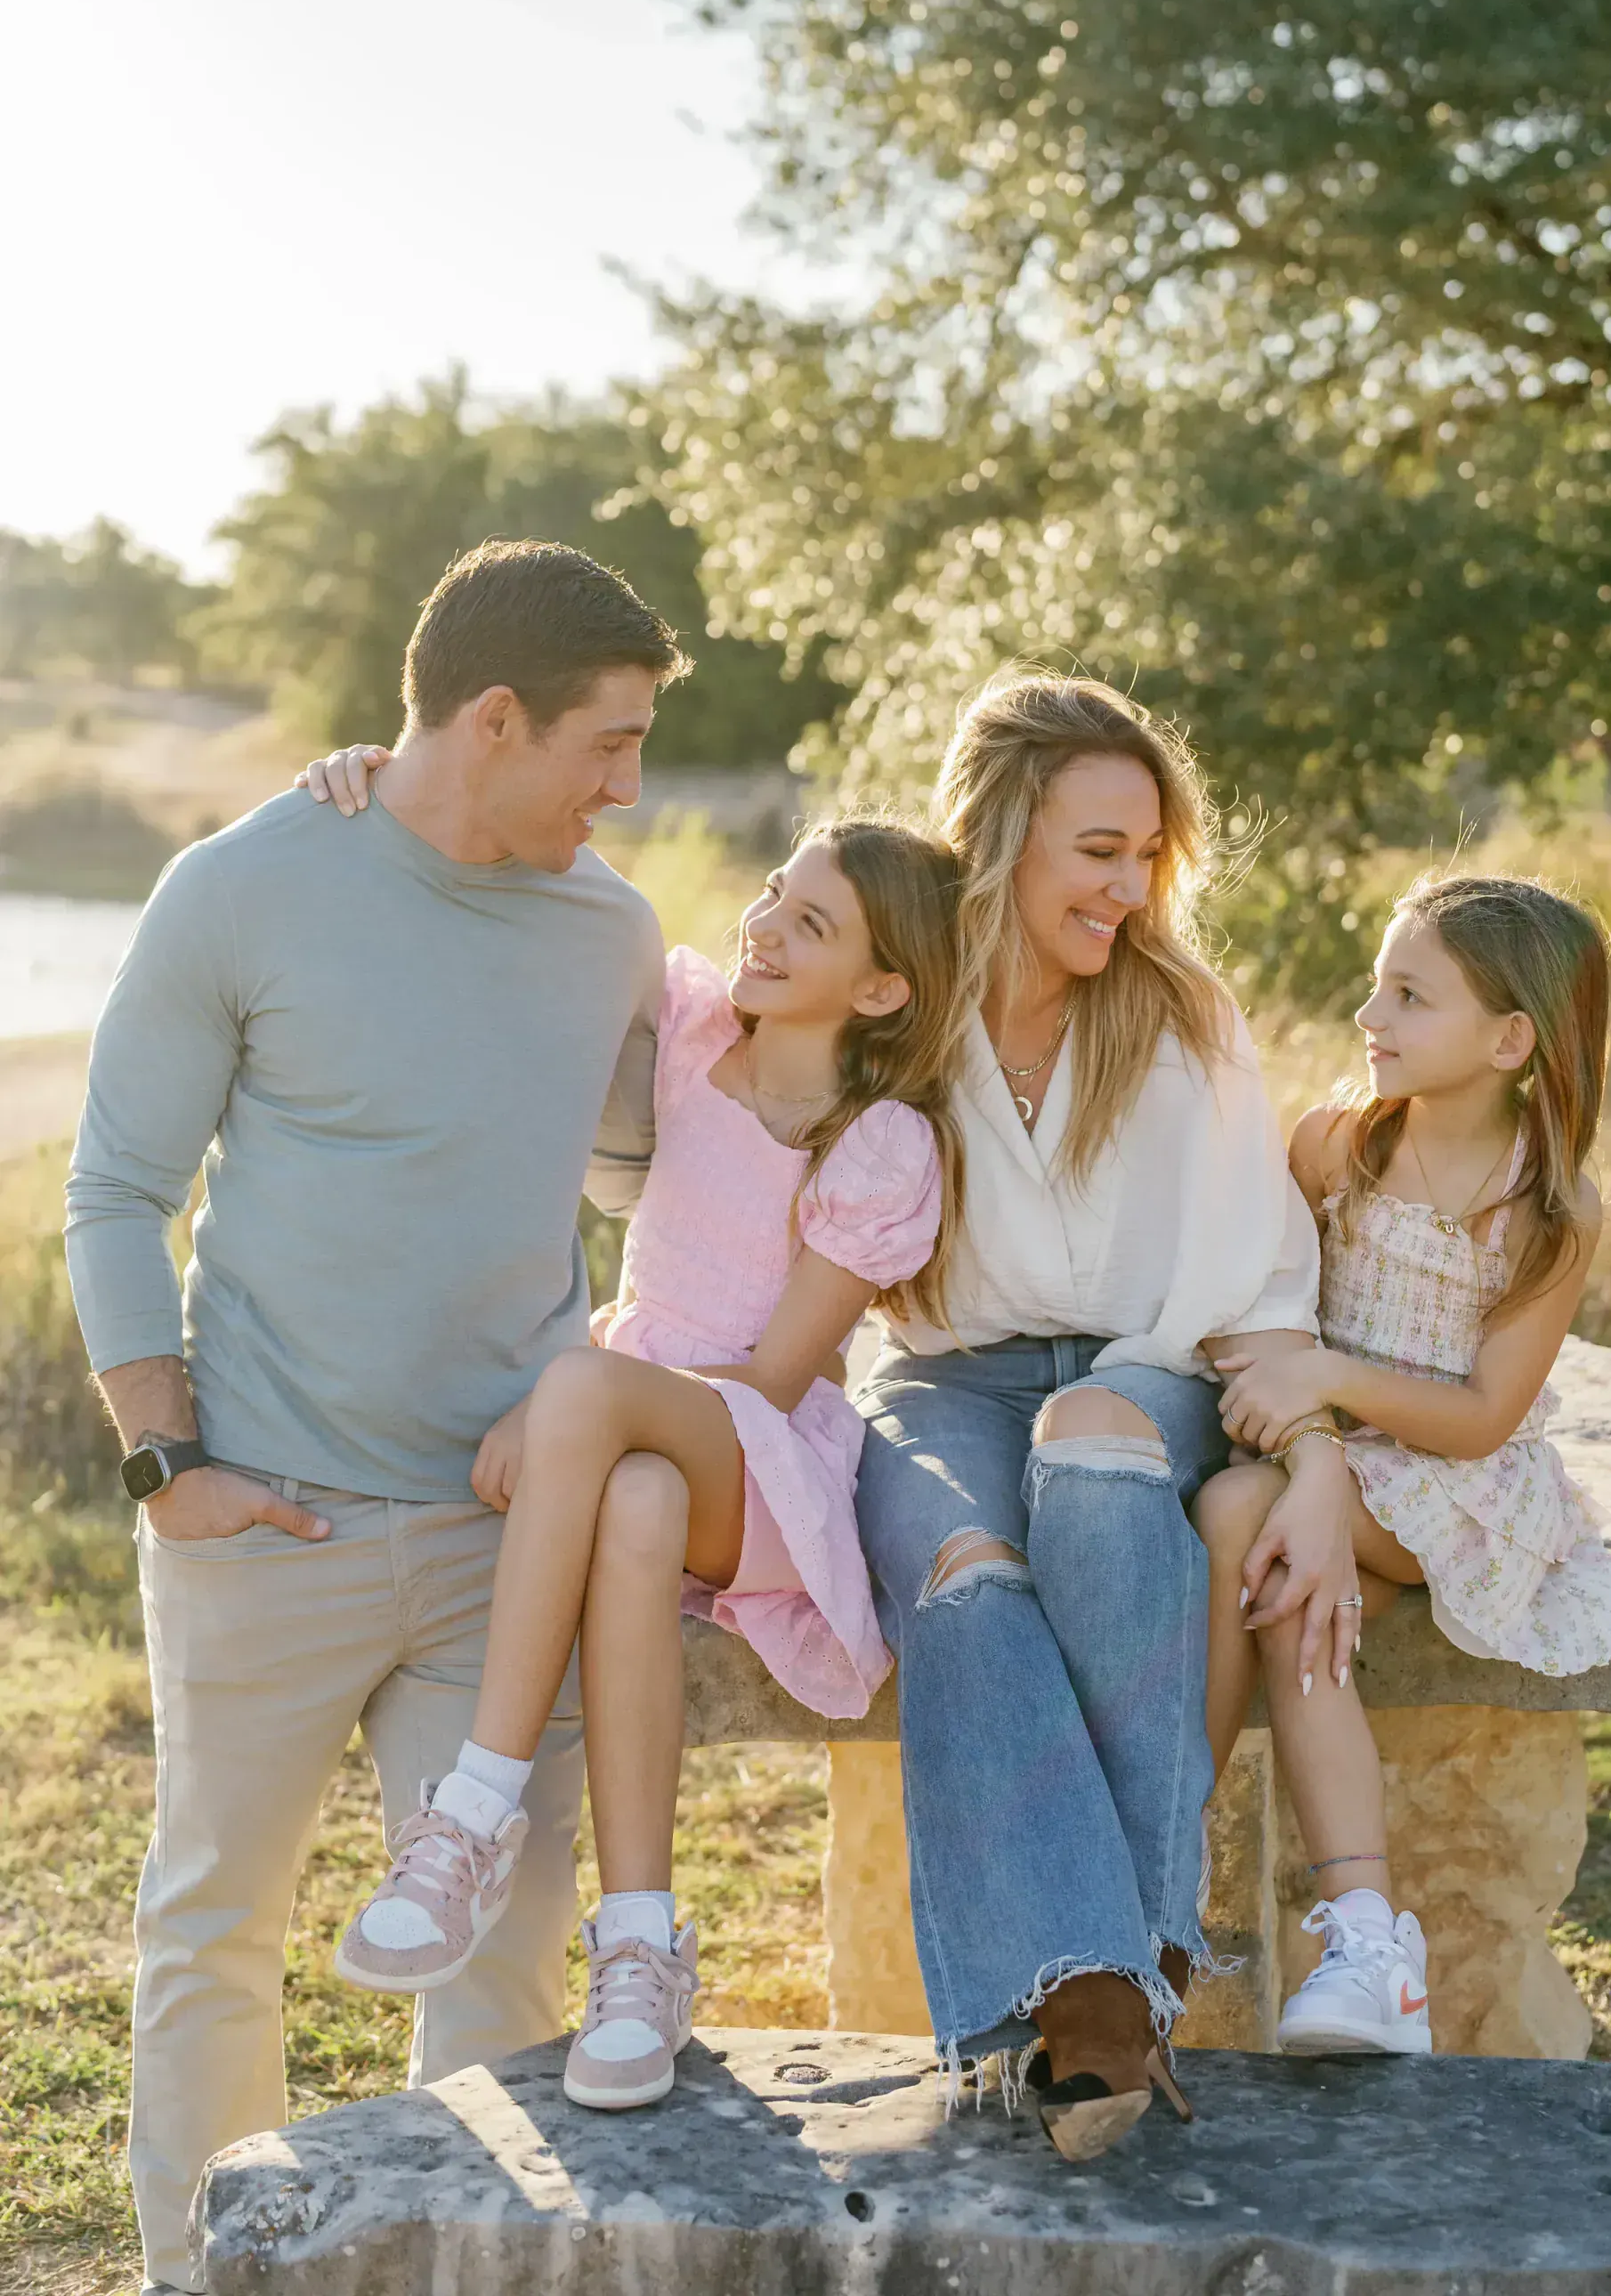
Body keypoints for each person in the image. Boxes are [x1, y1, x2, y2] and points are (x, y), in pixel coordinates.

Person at [64, 540, 684, 2294]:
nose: (628, 787)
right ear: (494, 718)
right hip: (271, 1516)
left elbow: (669, 1176)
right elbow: (114, 1191)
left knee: (503, 1947)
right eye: (609, 743)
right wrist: (166, 1460)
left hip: (513, 1537)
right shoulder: (245, 886)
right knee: (215, 1933)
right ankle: (203, 2274)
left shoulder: (615, 930)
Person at [320, 817, 962, 2113]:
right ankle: (640, 1944)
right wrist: (388, 782)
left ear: (884, 989)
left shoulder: (878, 1140)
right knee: (636, 1500)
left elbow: (778, 1382)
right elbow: (539, 866)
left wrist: (584, 1403)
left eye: (813, 925)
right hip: (649, 1459)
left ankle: (476, 1810)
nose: (767, 926)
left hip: (768, 1470)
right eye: (773, 895)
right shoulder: (694, 1033)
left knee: (613, 1426)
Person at [849, 669, 1324, 2161]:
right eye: (1096, 850)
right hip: (944, 1381)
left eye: (1146, 855)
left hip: (1147, 1374)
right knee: (967, 1582)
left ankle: (1104, 1991)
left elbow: (1255, 1265)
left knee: (1095, 1454)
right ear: (1001, 838)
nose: (1128, 888)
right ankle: (1116, 1972)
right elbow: (690, 1088)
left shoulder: (1180, 1012)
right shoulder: (894, 999)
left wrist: (1308, 1454)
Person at [1194, 872, 1611, 2057]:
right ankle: (1366, 1942)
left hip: (1453, 1486)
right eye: (1377, 985)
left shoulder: (1544, 1207)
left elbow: (1487, 1414)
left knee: (1241, 1510)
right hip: (1325, 1461)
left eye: (1409, 995)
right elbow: (1269, 1298)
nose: (1370, 1016)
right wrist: (1312, 1416)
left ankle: (1167, 1850)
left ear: (1510, 1039)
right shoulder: (1334, 1148)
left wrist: (1327, 1388)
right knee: (1297, 1606)